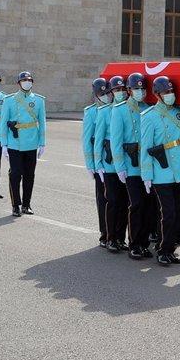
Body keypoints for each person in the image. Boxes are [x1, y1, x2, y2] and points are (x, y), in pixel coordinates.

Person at [140, 76, 180, 266]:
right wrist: (146, 175)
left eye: (171, 92)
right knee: (168, 212)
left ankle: (170, 249)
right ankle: (163, 250)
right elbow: (146, 148)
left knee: (179, 212)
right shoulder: (149, 116)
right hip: (162, 171)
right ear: (157, 95)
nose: (170, 95)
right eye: (166, 92)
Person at [111, 72, 150, 255]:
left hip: (148, 164)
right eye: (136, 88)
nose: (140, 91)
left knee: (148, 205)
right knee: (136, 204)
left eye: (142, 88)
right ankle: (134, 244)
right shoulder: (119, 110)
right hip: (131, 164)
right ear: (129, 90)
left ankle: (143, 243)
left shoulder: (149, 108)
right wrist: (119, 167)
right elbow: (116, 142)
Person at [1, 70, 46, 216]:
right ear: (19, 83)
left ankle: (27, 204)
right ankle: (16, 204)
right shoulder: (10, 100)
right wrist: (4, 144)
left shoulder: (39, 100)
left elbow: (42, 123)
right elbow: (3, 123)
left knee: (29, 175)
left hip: (31, 143)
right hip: (15, 142)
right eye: (24, 80)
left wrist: (42, 143)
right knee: (15, 174)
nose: (27, 83)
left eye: (29, 80)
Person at [97, 76, 129, 252]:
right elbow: (98, 140)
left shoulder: (129, 110)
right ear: (110, 92)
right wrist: (96, 163)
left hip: (126, 163)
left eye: (123, 89)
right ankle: (110, 238)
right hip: (109, 164)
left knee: (124, 202)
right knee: (113, 200)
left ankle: (121, 237)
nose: (120, 93)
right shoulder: (104, 112)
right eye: (116, 90)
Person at [83, 78, 111, 246]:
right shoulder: (91, 112)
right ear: (96, 95)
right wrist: (90, 165)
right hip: (99, 162)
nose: (106, 96)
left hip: (113, 160)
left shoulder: (113, 109)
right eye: (102, 94)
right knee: (103, 199)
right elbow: (87, 140)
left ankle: (115, 232)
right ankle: (104, 233)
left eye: (107, 93)